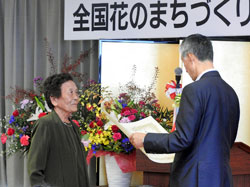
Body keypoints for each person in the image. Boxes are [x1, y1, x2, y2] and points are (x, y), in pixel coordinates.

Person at [129, 34, 240, 187]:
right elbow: (229, 140)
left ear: (190, 57)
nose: (185, 69)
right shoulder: (231, 92)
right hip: (222, 177)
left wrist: (145, 139)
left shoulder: (194, 90)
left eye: (184, 62)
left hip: (194, 179)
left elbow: (182, 139)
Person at [27, 73, 89, 187]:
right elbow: (35, 172)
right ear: (54, 99)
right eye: (70, 92)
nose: (76, 97)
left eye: (76, 92)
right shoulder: (45, 125)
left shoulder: (73, 127)